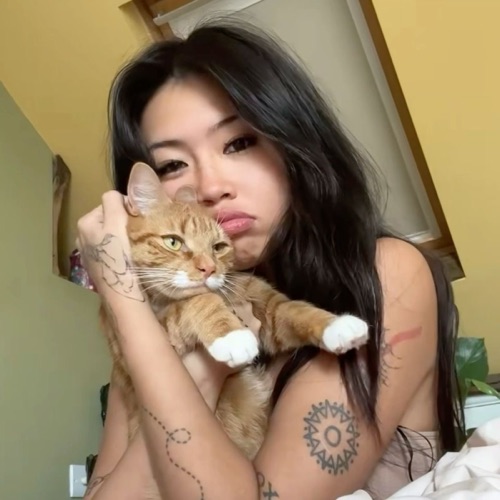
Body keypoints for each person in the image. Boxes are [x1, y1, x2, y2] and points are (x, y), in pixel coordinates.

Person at [76, 19, 464, 500]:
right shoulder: (147, 327)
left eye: (239, 142)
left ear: (294, 142)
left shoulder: (387, 272)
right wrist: (141, 315)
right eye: (172, 165)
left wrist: (142, 318)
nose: (211, 187)